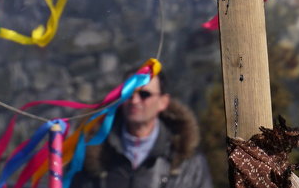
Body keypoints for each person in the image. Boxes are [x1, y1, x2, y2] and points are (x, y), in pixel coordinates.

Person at [75, 70, 212, 188]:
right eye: (128, 94)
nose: (134, 101)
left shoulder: (189, 163)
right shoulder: (91, 156)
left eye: (144, 94)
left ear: (163, 102)